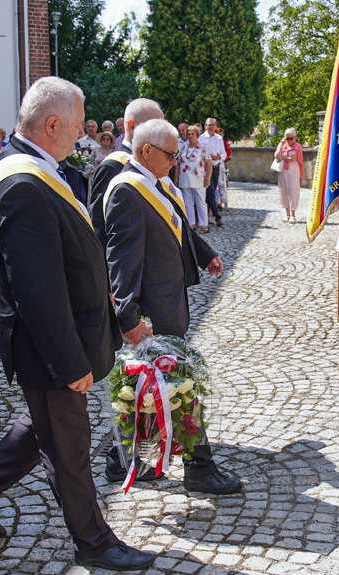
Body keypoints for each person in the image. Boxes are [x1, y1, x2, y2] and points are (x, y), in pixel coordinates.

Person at [0, 76, 153, 572]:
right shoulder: (22, 183)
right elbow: (35, 288)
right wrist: (68, 362)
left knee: (43, 424)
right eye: (80, 125)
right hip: (49, 345)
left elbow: (64, 254)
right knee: (68, 446)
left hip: (61, 336)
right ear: (53, 124)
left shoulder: (40, 168)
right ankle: (94, 541)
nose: (84, 134)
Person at [103, 118, 242, 496]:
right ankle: (200, 466)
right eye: (170, 154)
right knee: (180, 384)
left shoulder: (157, 182)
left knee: (154, 387)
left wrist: (205, 253)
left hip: (169, 300)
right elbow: (122, 259)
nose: (176, 161)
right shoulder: (127, 191)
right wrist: (128, 317)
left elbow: (177, 224)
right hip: (152, 309)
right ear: (146, 151)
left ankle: (121, 460)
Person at [86, 97, 162, 247]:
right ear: (132, 126)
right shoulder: (113, 166)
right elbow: (100, 224)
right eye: (155, 127)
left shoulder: (155, 159)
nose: (162, 133)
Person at [178, 124, 212, 231]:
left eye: (193, 134)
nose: (190, 136)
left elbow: (209, 163)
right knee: (188, 203)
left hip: (198, 179)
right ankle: (191, 224)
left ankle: (204, 225)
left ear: (197, 135)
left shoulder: (202, 148)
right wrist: (176, 178)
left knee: (200, 202)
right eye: (189, 134)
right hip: (185, 179)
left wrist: (207, 178)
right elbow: (178, 163)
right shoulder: (183, 148)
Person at [198, 118, 224, 227]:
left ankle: (206, 217)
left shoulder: (219, 138)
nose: (211, 127)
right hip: (206, 168)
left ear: (216, 126)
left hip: (216, 167)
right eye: (209, 125)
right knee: (211, 192)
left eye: (213, 125)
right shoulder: (201, 138)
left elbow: (224, 153)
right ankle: (217, 216)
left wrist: (219, 157)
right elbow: (199, 153)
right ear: (205, 126)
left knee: (209, 194)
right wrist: (209, 157)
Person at [274, 128, 302, 224]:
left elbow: (293, 158)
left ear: (295, 137)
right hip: (283, 172)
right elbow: (276, 156)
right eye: (287, 138)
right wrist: (281, 146)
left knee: (293, 191)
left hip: (293, 172)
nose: (289, 140)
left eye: (291, 138)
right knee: (284, 191)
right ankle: (287, 214)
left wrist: (282, 157)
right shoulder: (282, 145)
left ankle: (293, 214)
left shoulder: (297, 146)